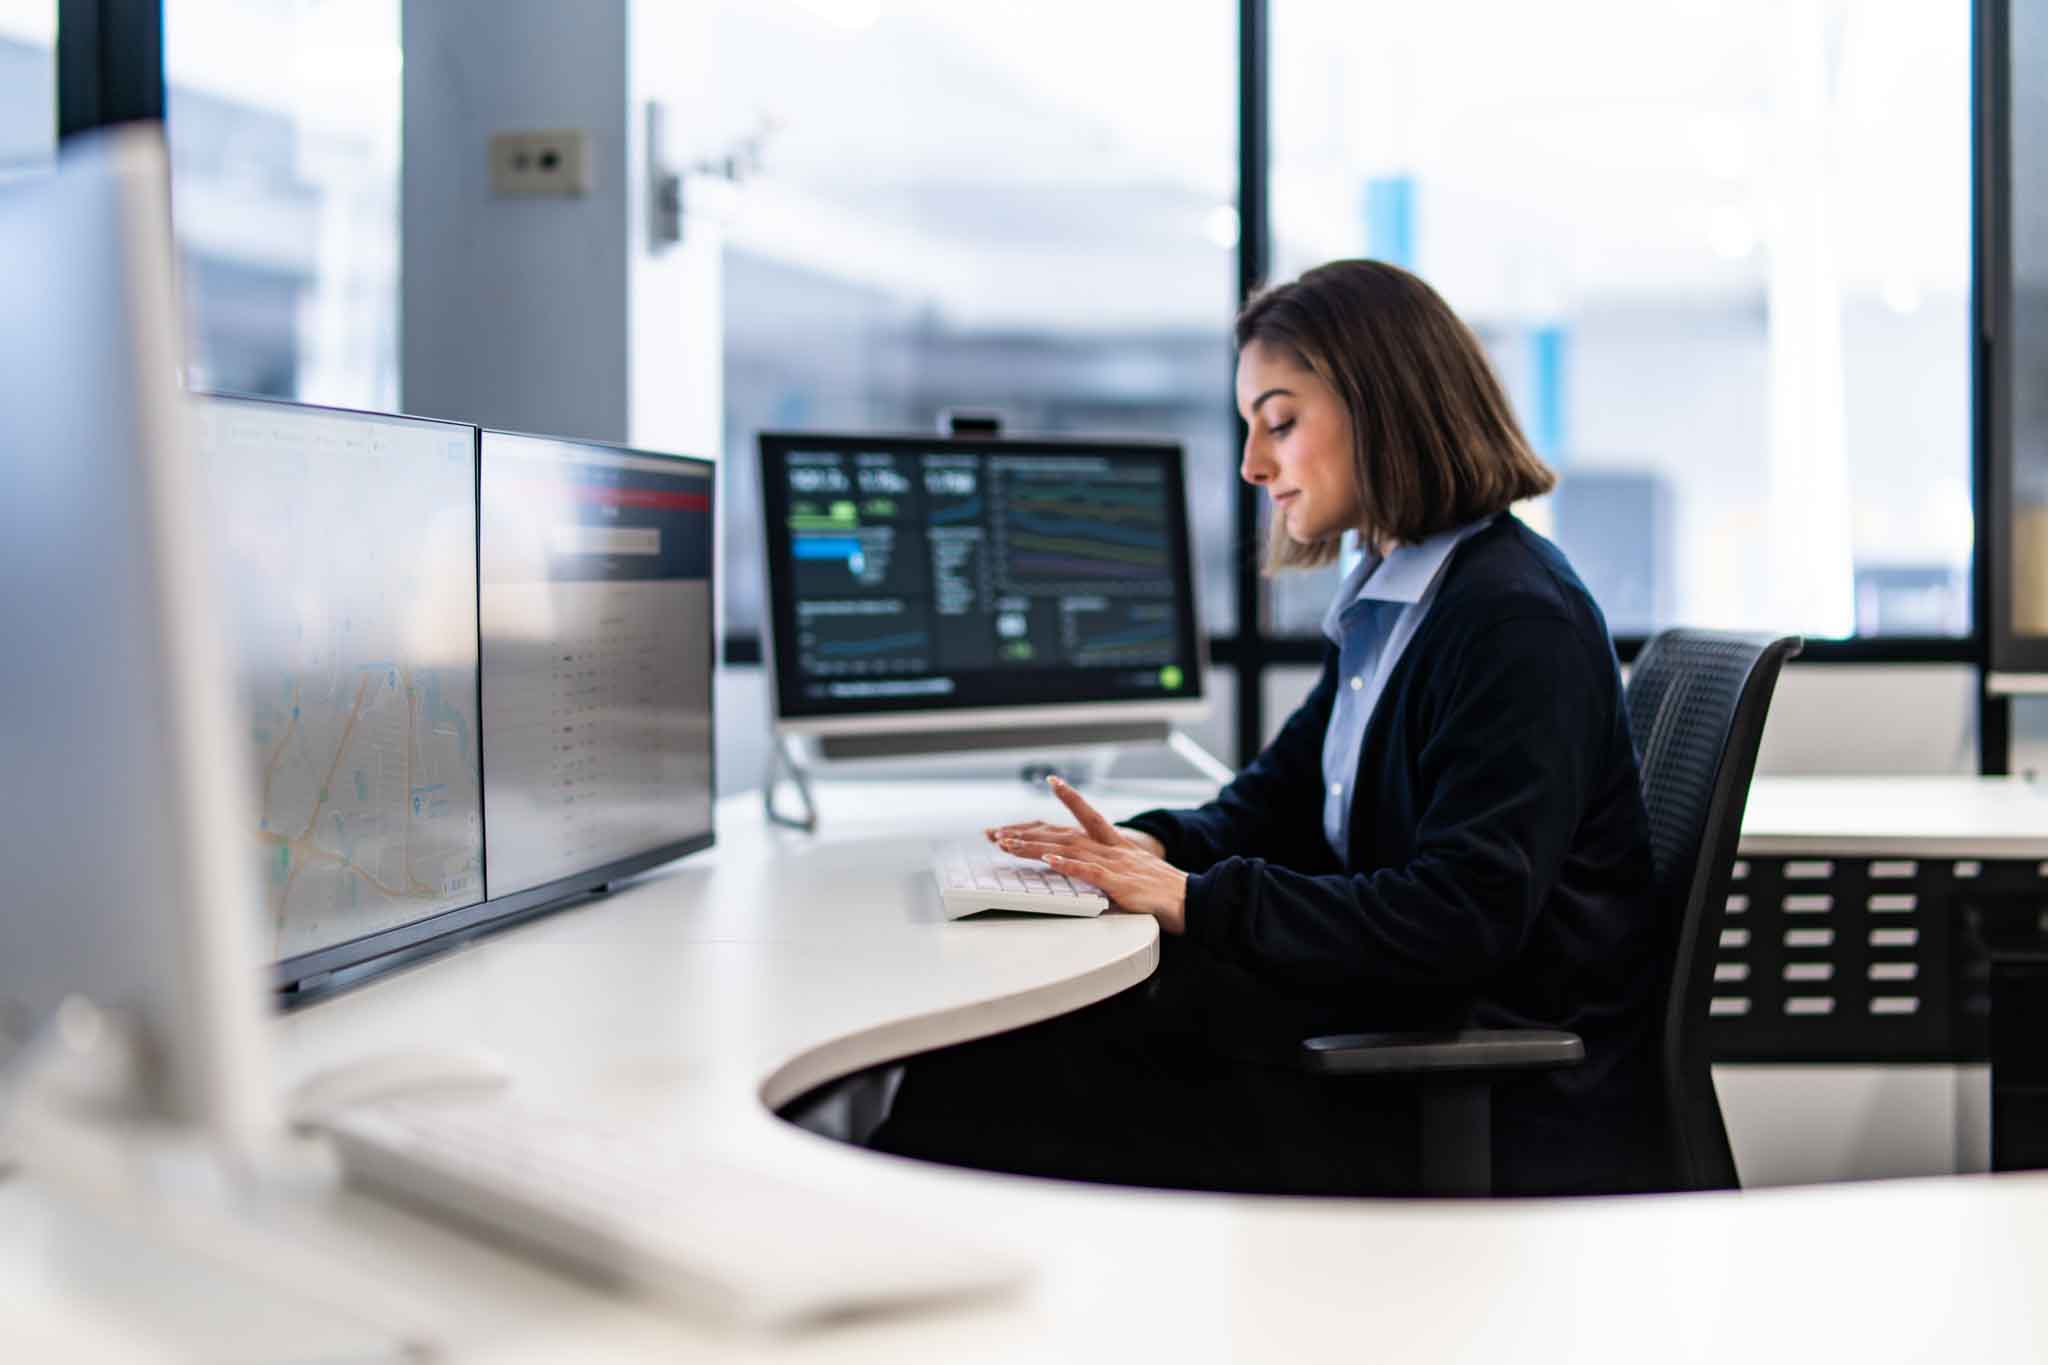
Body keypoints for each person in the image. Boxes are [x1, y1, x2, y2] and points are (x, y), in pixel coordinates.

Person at [870, 260, 1668, 1197]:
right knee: (996, 1054)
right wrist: (1148, 845)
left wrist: (1196, 901)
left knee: (990, 1077)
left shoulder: (1510, 620)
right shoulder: (1400, 592)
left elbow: (1461, 917)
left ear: (1386, 406)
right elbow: (1279, 799)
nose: (1254, 464)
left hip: (1465, 1088)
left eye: (1280, 421)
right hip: (1389, 1027)